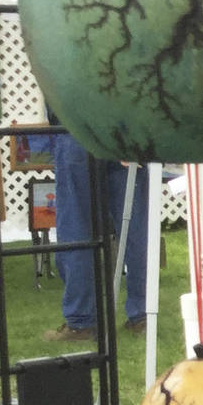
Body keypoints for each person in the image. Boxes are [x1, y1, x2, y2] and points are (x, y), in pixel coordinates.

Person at [44, 134, 147, 342]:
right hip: (127, 131)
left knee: (76, 227)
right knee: (136, 228)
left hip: (77, 131)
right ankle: (143, 316)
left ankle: (81, 323)